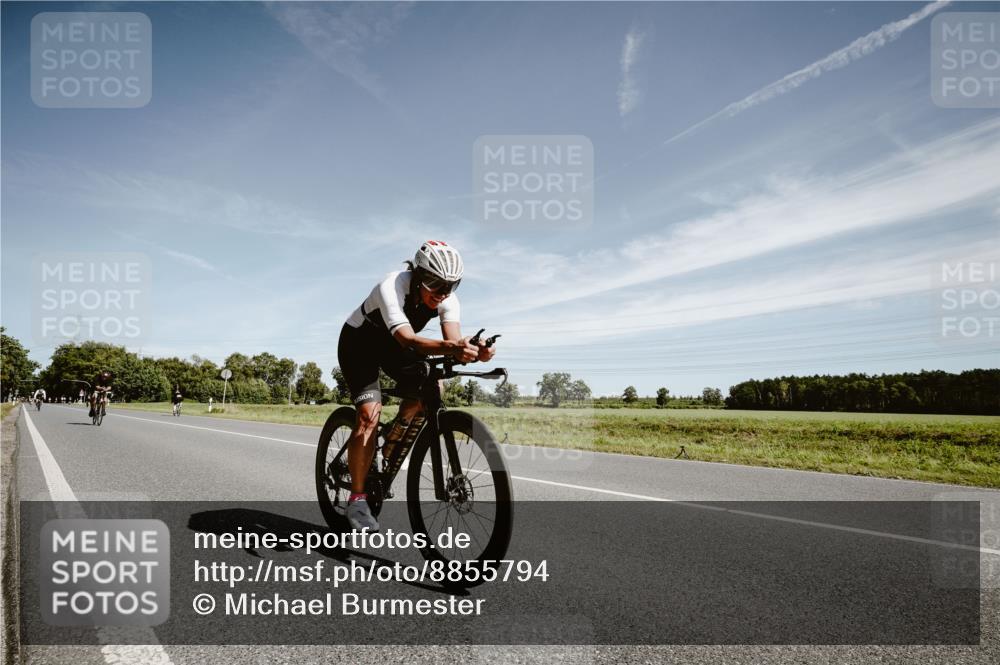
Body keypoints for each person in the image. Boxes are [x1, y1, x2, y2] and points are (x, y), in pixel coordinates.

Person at [337, 241, 495, 532]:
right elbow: (409, 340)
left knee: (434, 388)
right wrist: (453, 347)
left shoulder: (447, 299)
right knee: (369, 414)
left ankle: (388, 446)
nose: (442, 293)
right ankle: (357, 501)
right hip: (360, 345)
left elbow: (453, 343)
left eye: (451, 285)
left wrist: (474, 350)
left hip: (394, 350)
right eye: (435, 283)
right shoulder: (392, 286)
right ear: (419, 274)